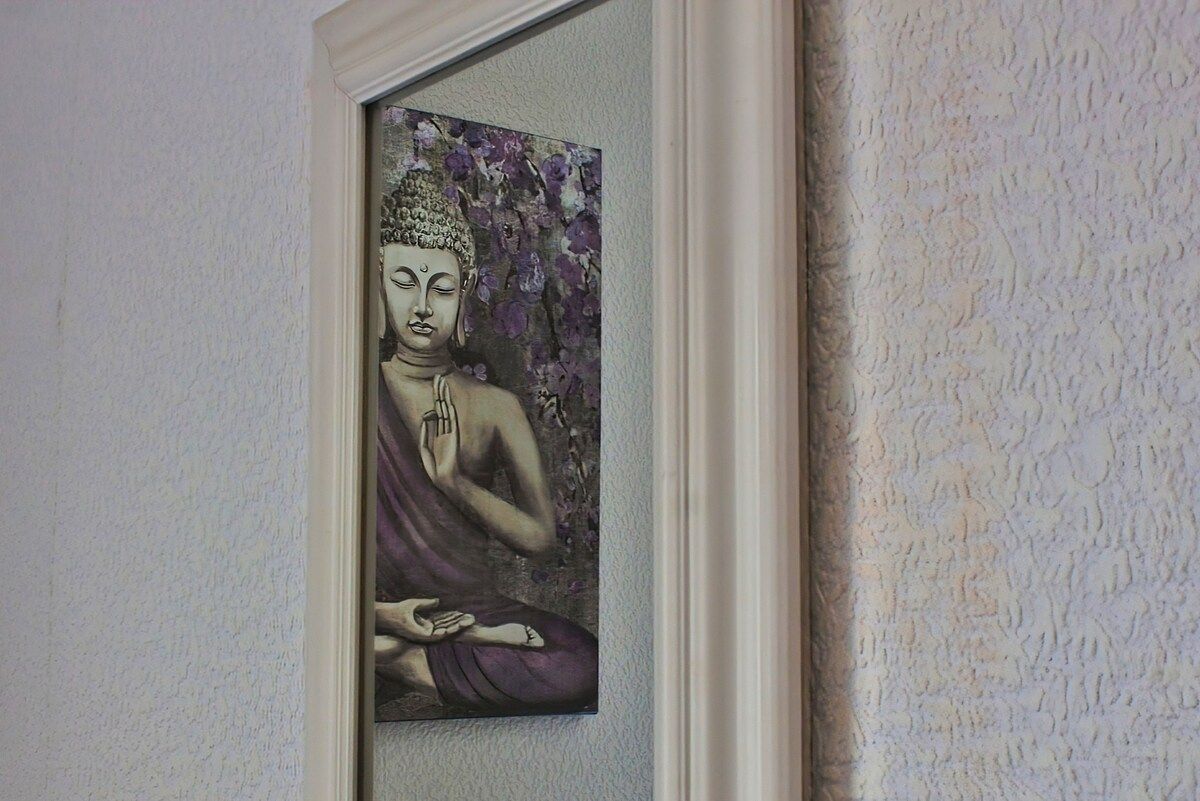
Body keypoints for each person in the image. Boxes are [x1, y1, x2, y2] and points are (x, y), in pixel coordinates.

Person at [373, 171, 598, 718]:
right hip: (379, 611)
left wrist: (452, 483)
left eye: (441, 288)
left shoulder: (497, 407)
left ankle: (394, 658)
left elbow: (540, 538)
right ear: (377, 282)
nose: (422, 305)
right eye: (404, 282)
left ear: (466, 291)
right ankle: (393, 649)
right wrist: (376, 615)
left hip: (473, 612)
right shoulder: (353, 394)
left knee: (583, 662)